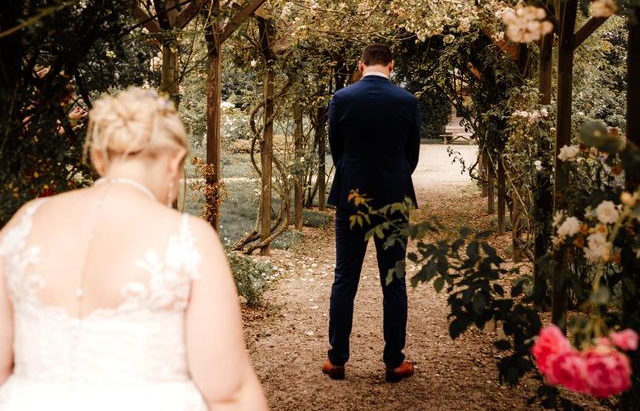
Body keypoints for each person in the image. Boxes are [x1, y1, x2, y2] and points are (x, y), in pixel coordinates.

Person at [0, 87, 268, 410]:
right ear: (174, 162)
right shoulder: (190, 239)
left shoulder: (22, 224)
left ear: (99, 159)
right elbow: (230, 393)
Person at [323, 43, 421, 382]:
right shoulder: (408, 102)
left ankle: (337, 359)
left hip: (352, 198)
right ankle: (394, 362)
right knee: (393, 281)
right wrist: (392, 177)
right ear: (391, 65)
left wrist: (354, 174)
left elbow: (337, 150)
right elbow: (412, 156)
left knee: (344, 278)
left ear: (361, 65)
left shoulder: (342, 99)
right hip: (394, 199)